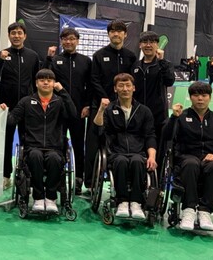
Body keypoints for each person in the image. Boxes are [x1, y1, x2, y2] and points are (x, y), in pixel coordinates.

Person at [2, 69, 77, 213]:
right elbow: (11, 120)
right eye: (42, 80)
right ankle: (38, 198)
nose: (46, 83)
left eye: (49, 80)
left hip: (55, 148)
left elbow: (73, 115)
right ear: (36, 83)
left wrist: (63, 91)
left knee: (54, 159)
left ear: (54, 83)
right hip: (32, 147)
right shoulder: (26, 102)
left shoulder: (60, 102)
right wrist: (4, 111)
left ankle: (50, 198)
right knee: (35, 156)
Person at [164, 82, 213, 231]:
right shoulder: (181, 117)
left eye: (204, 95)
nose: (200, 99)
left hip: (210, 160)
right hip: (186, 159)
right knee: (191, 164)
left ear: (210, 97)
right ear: (190, 97)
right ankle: (188, 210)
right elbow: (166, 136)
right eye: (196, 95)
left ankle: (205, 211)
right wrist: (173, 118)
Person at [93, 73, 157, 220]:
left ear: (134, 88)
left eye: (128, 85)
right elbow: (97, 130)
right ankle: (122, 201)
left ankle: (136, 202)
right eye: (121, 86)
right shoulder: (109, 109)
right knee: (121, 161)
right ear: (115, 89)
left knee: (137, 161)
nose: (125, 89)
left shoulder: (144, 111)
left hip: (138, 152)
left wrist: (152, 157)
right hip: (116, 152)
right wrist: (101, 110)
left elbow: (150, 136)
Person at [86, 19, 137, 190]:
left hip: (122, 107)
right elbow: (94, 80)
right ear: (108, 34)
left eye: (119, 31)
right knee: (94, 142)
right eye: (112, 31)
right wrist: (104, 98)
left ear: (125, 34)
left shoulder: (131, 56)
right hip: (100, 106)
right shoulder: (99, 55)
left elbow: (131, 82)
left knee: (120, 141)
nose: (116, 34)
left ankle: (123, 178)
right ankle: (90, 182)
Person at [0, 22, 40, 189]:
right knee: (6, 142)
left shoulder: (33, 56)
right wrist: (0, 60)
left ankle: (26, 175)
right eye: (13, 33)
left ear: (24, 36)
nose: (16, 36)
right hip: (7, 107)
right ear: (9, 35)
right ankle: (5, 175)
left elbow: (37, 81)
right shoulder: (2, 55)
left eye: (19, 33)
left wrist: (36, 102)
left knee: (29, 142)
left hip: (28, 107)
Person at [44, 27, 92, 194]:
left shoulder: (86, 61)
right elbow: (45, 78)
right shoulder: (55, 60)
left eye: (72, 39)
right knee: (58, 144)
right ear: (61, 41)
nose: (68, 42)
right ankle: (57, 177)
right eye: (65, 39)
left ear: (77, 41)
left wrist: (87, 105)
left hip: (78, 111)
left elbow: (90, 86)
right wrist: (48, 58)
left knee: (78, 145)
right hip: (59, 110)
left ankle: (78, 179)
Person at [131, 31, 175, 148]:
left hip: (158, 116)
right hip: (138, 114)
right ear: (140, 45)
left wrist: (161, 62)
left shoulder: (165, 64)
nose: (148, 45)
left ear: (157, 45)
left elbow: (169, 81)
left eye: (152, 42)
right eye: (145, 42)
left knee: (158, 147)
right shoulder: (135, 66)